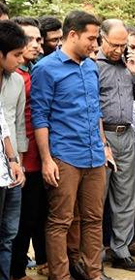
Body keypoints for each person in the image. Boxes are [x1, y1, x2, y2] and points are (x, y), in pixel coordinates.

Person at [30, 11, 106, 280]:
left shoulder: (91, 66)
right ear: (72, 35)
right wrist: (47, 159)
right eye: (91, 38)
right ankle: (60, 276)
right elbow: (40, 116)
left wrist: (104, 145)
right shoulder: (45, 68)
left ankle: (93, 274)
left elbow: (96, 111)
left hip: (94, 155)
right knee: (60, 221)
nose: (95, 45)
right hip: (65, 156)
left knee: (94, 219)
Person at [97, 19, 135, 271]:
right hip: (101, 136)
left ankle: (121, 250)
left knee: (126, 197)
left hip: (127, 135)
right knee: (97, 199)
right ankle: (94, 257)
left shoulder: (129, 65)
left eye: (123, 45)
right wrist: (101, 141)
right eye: (114, 45)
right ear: (101, 38)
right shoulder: (92, 66)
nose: (119, 50)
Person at [10, 16, 49, 280]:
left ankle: (43, 260)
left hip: (40, 154)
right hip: (19, 158)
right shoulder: (11, 77)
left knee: (37, 213)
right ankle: (16, 271)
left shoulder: (34, 71)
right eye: (29, 39)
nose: (36, 45)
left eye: (38, 39)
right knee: (20, 221)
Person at [0, 19, 27, 280]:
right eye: (17, 54)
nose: (21, 60)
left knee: (9, 233)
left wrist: (17, 161)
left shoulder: (17, 82)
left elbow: (15, 124)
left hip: (11, 168)